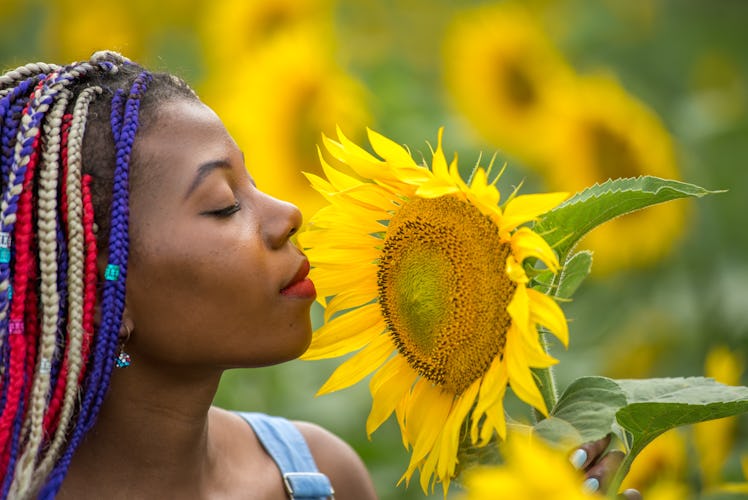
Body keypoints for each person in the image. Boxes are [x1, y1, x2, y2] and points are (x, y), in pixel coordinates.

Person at [0, 51, 638, 499]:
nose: (288, 214)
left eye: (254, 181)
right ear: (104, 291)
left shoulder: (321, 475)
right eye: (225, 204)